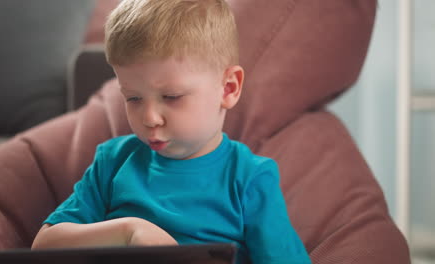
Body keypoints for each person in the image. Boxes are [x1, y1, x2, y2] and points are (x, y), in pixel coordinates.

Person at [32, 0, 311, 263]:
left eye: (172, 96)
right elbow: (44, 245)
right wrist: (128, 231)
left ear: (228, 88)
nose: (150, 118)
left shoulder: (248, 178)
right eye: (133, 98)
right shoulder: (113, 162)